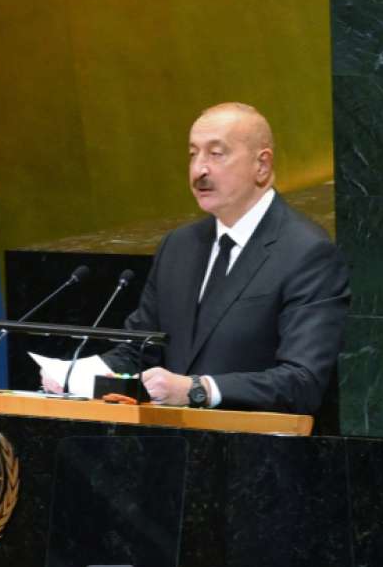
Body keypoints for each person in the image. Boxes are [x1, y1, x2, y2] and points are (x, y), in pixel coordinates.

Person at [42, 102, 349, 426]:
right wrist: (78, 374)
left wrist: (198, 390)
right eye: (193, 154)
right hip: (168, 446)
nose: (199, 170)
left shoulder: (307, 252)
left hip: (255, 449)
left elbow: (302, 382)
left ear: (262, 165)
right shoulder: (179, 246)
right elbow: (139, 351)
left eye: (216, 154)